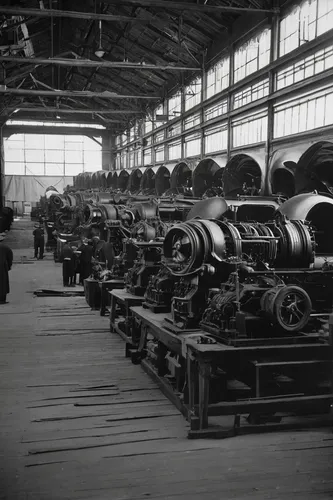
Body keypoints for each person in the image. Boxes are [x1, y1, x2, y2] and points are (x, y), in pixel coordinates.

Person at [0, 235, 13, 304]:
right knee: (3, 282)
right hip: (2, 266)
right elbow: (10, 257)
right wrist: (9, 265)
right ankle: (2, 299)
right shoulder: (5, 247)